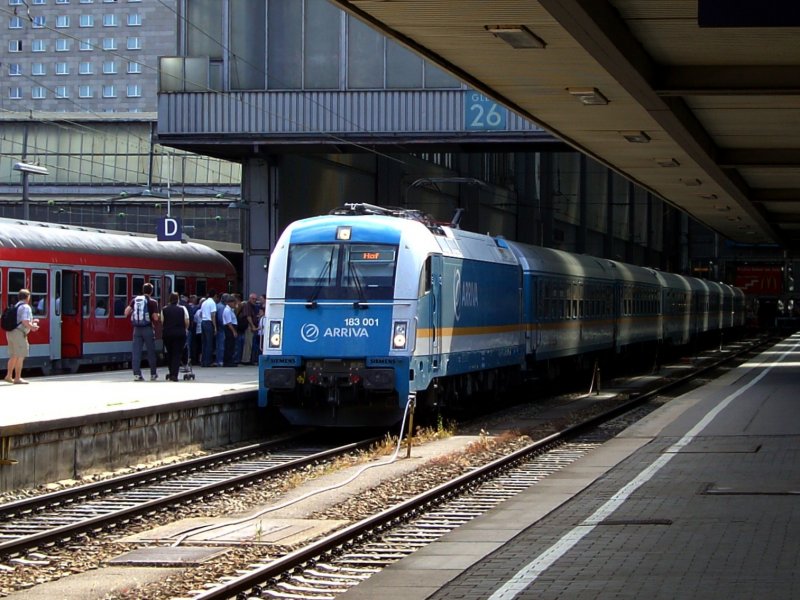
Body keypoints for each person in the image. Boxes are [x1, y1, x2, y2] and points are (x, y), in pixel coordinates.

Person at [124, 282, 160, 381]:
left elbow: (126, 312)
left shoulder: (135, 300)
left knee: (136, 352)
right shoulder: (153, 302)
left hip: (136, 329)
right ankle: (153, 374)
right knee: (151, 352)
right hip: (148, 328)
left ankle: (137, 374)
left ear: (142, 290)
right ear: (151, 292)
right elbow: (156, 318)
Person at [4, 288, 40, 384]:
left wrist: (32, 322)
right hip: (19, 333)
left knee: (13, 355)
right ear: (28, 297)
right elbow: (24, 321)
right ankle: (17, 378)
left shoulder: (16, 305)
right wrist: (33, 327)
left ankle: (8, 376)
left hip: (10, 332)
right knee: (20, 355)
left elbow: (20, 320)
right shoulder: (26, 307)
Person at [161, 291, 190, 382]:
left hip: (167, 334)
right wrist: (185, 329)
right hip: (179, 334)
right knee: (177, 354)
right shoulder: (182, 308)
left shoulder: (164, 309)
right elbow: (186, 321)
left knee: (170, 353)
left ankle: (171, 372)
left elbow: (162, 321)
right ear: (178, 300)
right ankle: (174, 374)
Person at [199, 290, 218, 367]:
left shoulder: (204, 302)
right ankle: (208, 361)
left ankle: (203, 361)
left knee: (204, 343)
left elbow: (200, 313)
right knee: (209, 343)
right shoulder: (212, 303)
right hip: (209, 322)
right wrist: (215, 327)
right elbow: (213, 315)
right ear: (214, 296)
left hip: (203, 322)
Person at [240, 292, 259, 364]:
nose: (254, 300)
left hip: (250, 326)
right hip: (249, 326)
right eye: (253, 299)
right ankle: (246, 360)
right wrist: (252, 326)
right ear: (250, 299)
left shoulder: (252, 306)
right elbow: (248, 316)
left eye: (255, 299)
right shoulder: (248, 306)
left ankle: (248, 358)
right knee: (248, 343)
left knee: (250, 343)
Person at [222, 294, 238, 367]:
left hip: (231, 327)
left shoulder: (230, 310)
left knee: (231, 345)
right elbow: (229, 322)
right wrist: (234, 331)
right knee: (229, 345)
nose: (234, 304)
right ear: (229, 302)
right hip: (229, 329)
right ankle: (228, 361)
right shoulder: (227, 310)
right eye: (234, 303)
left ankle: (230, 360)